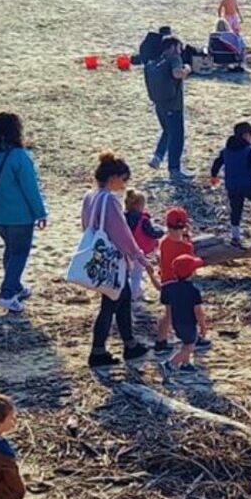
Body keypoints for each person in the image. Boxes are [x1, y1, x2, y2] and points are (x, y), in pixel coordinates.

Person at [81, 151, 158, 367]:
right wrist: (139, 258)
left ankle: (130, 344)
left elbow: (87, 227)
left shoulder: (90, 196)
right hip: (114, 260)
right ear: (114, 177)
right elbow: (121, 234)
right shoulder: (109, 200)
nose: (124, 185)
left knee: (121, 299)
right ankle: (97, 351)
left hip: (98, 256)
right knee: (111, 303)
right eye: (124, 180)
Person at [0, 112, 49, 313]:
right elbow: (30, 188)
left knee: (11, 249)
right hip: (20, 214)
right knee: (19, 252)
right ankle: (7, 293)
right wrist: (40, 213)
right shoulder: (19, 156)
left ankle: (15, 286)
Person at [154, 208, 212, 355]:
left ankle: (160, 341)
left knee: (168, 313)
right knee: (191, 312)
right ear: (184, 225)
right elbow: (189, 264)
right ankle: (195, 337)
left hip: (166, 282)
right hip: (180, 283)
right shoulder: (185, 247)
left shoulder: (163, 242)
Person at [145, 36, 194, 181]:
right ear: (173, 47)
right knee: (177, 137)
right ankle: (175, 170)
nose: (181, 50)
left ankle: (157, 157)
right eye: (179, 47)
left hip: (160, 105)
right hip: (174, 105)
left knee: (167, 131)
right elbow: (177, 73)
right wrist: (187, 69)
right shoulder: (174, 58)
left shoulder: (157, 61)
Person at [162, 254, 207, 373]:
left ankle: (186, 365)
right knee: (189, 347)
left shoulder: (168, 288)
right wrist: (203, 326)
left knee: (185, 343)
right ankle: (170, 364)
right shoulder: (193, 291)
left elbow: (168, 310)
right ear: (191, 273)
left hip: (177, 322)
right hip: (189, 323)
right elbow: (198, 312)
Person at [124, 189, 165, 302]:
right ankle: (133, 295)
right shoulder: (143, 219)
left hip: (124, 249)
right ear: (140, 205)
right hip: (138, 251)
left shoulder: (122, 217)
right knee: (137, 273)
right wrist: (161, 231)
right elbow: (150, 232)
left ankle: (134, 292)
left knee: (127, 273)